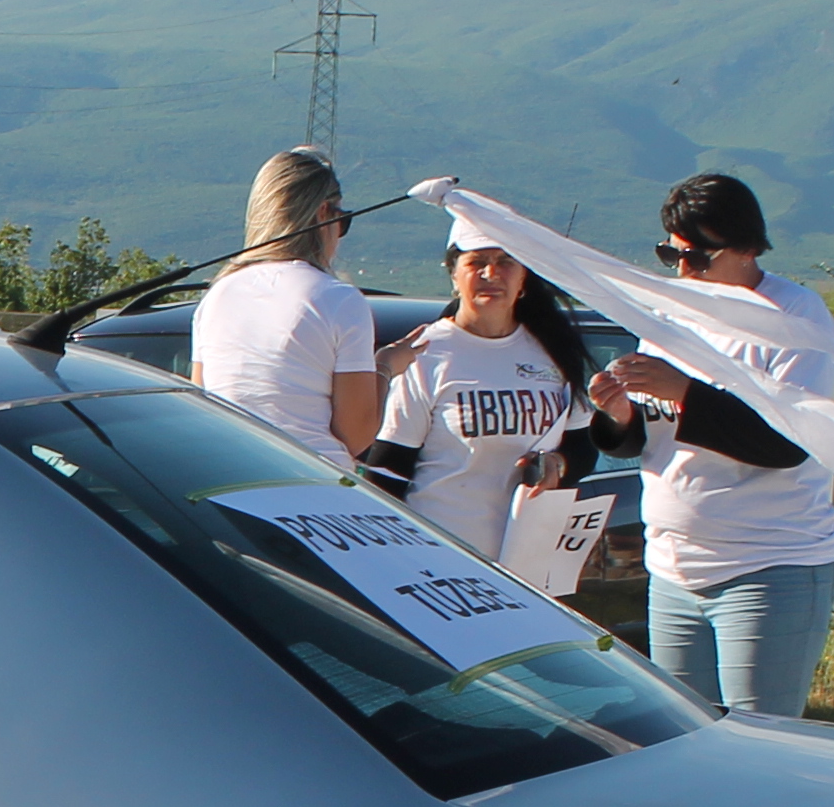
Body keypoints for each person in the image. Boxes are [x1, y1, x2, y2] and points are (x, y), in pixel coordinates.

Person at [592, 173, 834, 716]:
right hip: (673, 568)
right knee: (688, 739)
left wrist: (684, 390)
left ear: (748, 248)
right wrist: (617, 416)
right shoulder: (668, 316)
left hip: (768, 567)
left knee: (761, 746)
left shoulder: (794, 317)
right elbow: (653, 434)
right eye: (670, 254)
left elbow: (787, 443)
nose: (684, 271)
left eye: (699, 258)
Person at [360, 228, 630, 554]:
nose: (492, 273)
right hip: (441, 554)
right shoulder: (426, 353)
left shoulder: (553, 350)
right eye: (477, 263)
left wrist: (557, 465)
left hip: (530, 559)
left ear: (523, 277)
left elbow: (582, 449)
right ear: (454, 275)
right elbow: (388, 469)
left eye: (505, 262)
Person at [190, 148, 383, 468]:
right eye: (342, 221)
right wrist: (387, 368)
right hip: (310, 483)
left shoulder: (217, 296)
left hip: (228, 478)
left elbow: (202, 406)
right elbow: (355, 435)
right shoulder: (340, 300)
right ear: (324, 213)